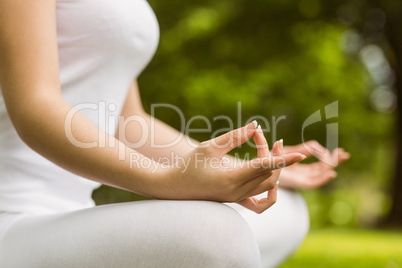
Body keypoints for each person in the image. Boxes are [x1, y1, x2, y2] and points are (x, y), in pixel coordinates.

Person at [0, 0, 350, 267]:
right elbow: (34, 106)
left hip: (72, 214)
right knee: (218, 234)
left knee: (286, 211)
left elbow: (130, 124)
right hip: (12, 217)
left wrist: (245, 169)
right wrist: (167, 180)